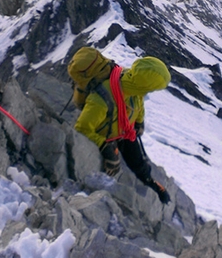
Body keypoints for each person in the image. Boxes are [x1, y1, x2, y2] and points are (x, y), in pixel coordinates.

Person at [68, 47, 171, 204]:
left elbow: (138, 102)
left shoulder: (130, 80)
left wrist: (139, 121)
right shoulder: (100, 100)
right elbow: (81, 128)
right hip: (107, 136)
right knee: (126, 163)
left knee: (139, 163)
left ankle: (151, 183)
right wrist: (106, 149)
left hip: (125, 130)